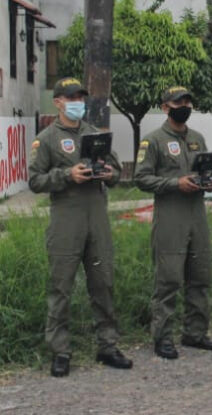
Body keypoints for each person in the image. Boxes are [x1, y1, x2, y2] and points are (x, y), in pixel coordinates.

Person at [28, 77, 132, 377]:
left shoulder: (95, 133)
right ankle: (60, 351)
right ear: (58, 102)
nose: (77, 102)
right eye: (71, 97)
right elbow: (35, 180)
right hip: (66, 220)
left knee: (103, 283)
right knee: (61, 287)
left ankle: (108, 346)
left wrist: (110, 172)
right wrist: (67, 174)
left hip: (96, 218)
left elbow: (116, 174)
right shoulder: (46, 138)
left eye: (80, 97)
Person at [135, 85, 212, 359]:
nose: (184, 106)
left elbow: (206, 170)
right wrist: (174, 183)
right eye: (177, 102)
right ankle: (163, 338)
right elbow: (141, 178)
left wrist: (209, 182)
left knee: (200, 276)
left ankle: (195, 333)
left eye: (187, 101)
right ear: (165, 107)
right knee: (169, 279)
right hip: (170, 216)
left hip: (197, 215)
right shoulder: (153, 141)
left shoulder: (197, 138)